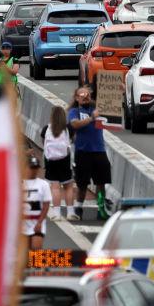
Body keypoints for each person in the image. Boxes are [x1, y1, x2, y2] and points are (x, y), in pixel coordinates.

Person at [68, 86, 111, 221]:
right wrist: (92, 118)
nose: (86, 97)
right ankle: (78, 208)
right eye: (82, 95)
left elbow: (112, 102)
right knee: (82, 185)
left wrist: (120, 90)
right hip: (83, 152)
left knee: (101, 183)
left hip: (99, 150)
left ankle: (101, 208)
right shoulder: (74, 111)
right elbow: (75, 125)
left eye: (88, 95)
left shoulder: (97, 108)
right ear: (77, 98)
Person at [42, 105, 76, 220]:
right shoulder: (68, 128)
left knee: (55, 187)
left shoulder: (46, 128)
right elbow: (72, 140)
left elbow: (44, 143)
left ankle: (57, 213)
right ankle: (70, 212)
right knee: (68, 186)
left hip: (51, 161)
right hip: (65, 160)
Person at [23, 155, 51, 251]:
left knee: (36, 248)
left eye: (36, 168)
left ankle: (41, 265)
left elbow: (46, 205)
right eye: (32, 168)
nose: (34, 170)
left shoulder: (43, 184)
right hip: (22, 222)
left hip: (36, 221)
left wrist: (39, 222)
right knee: (23, 254)